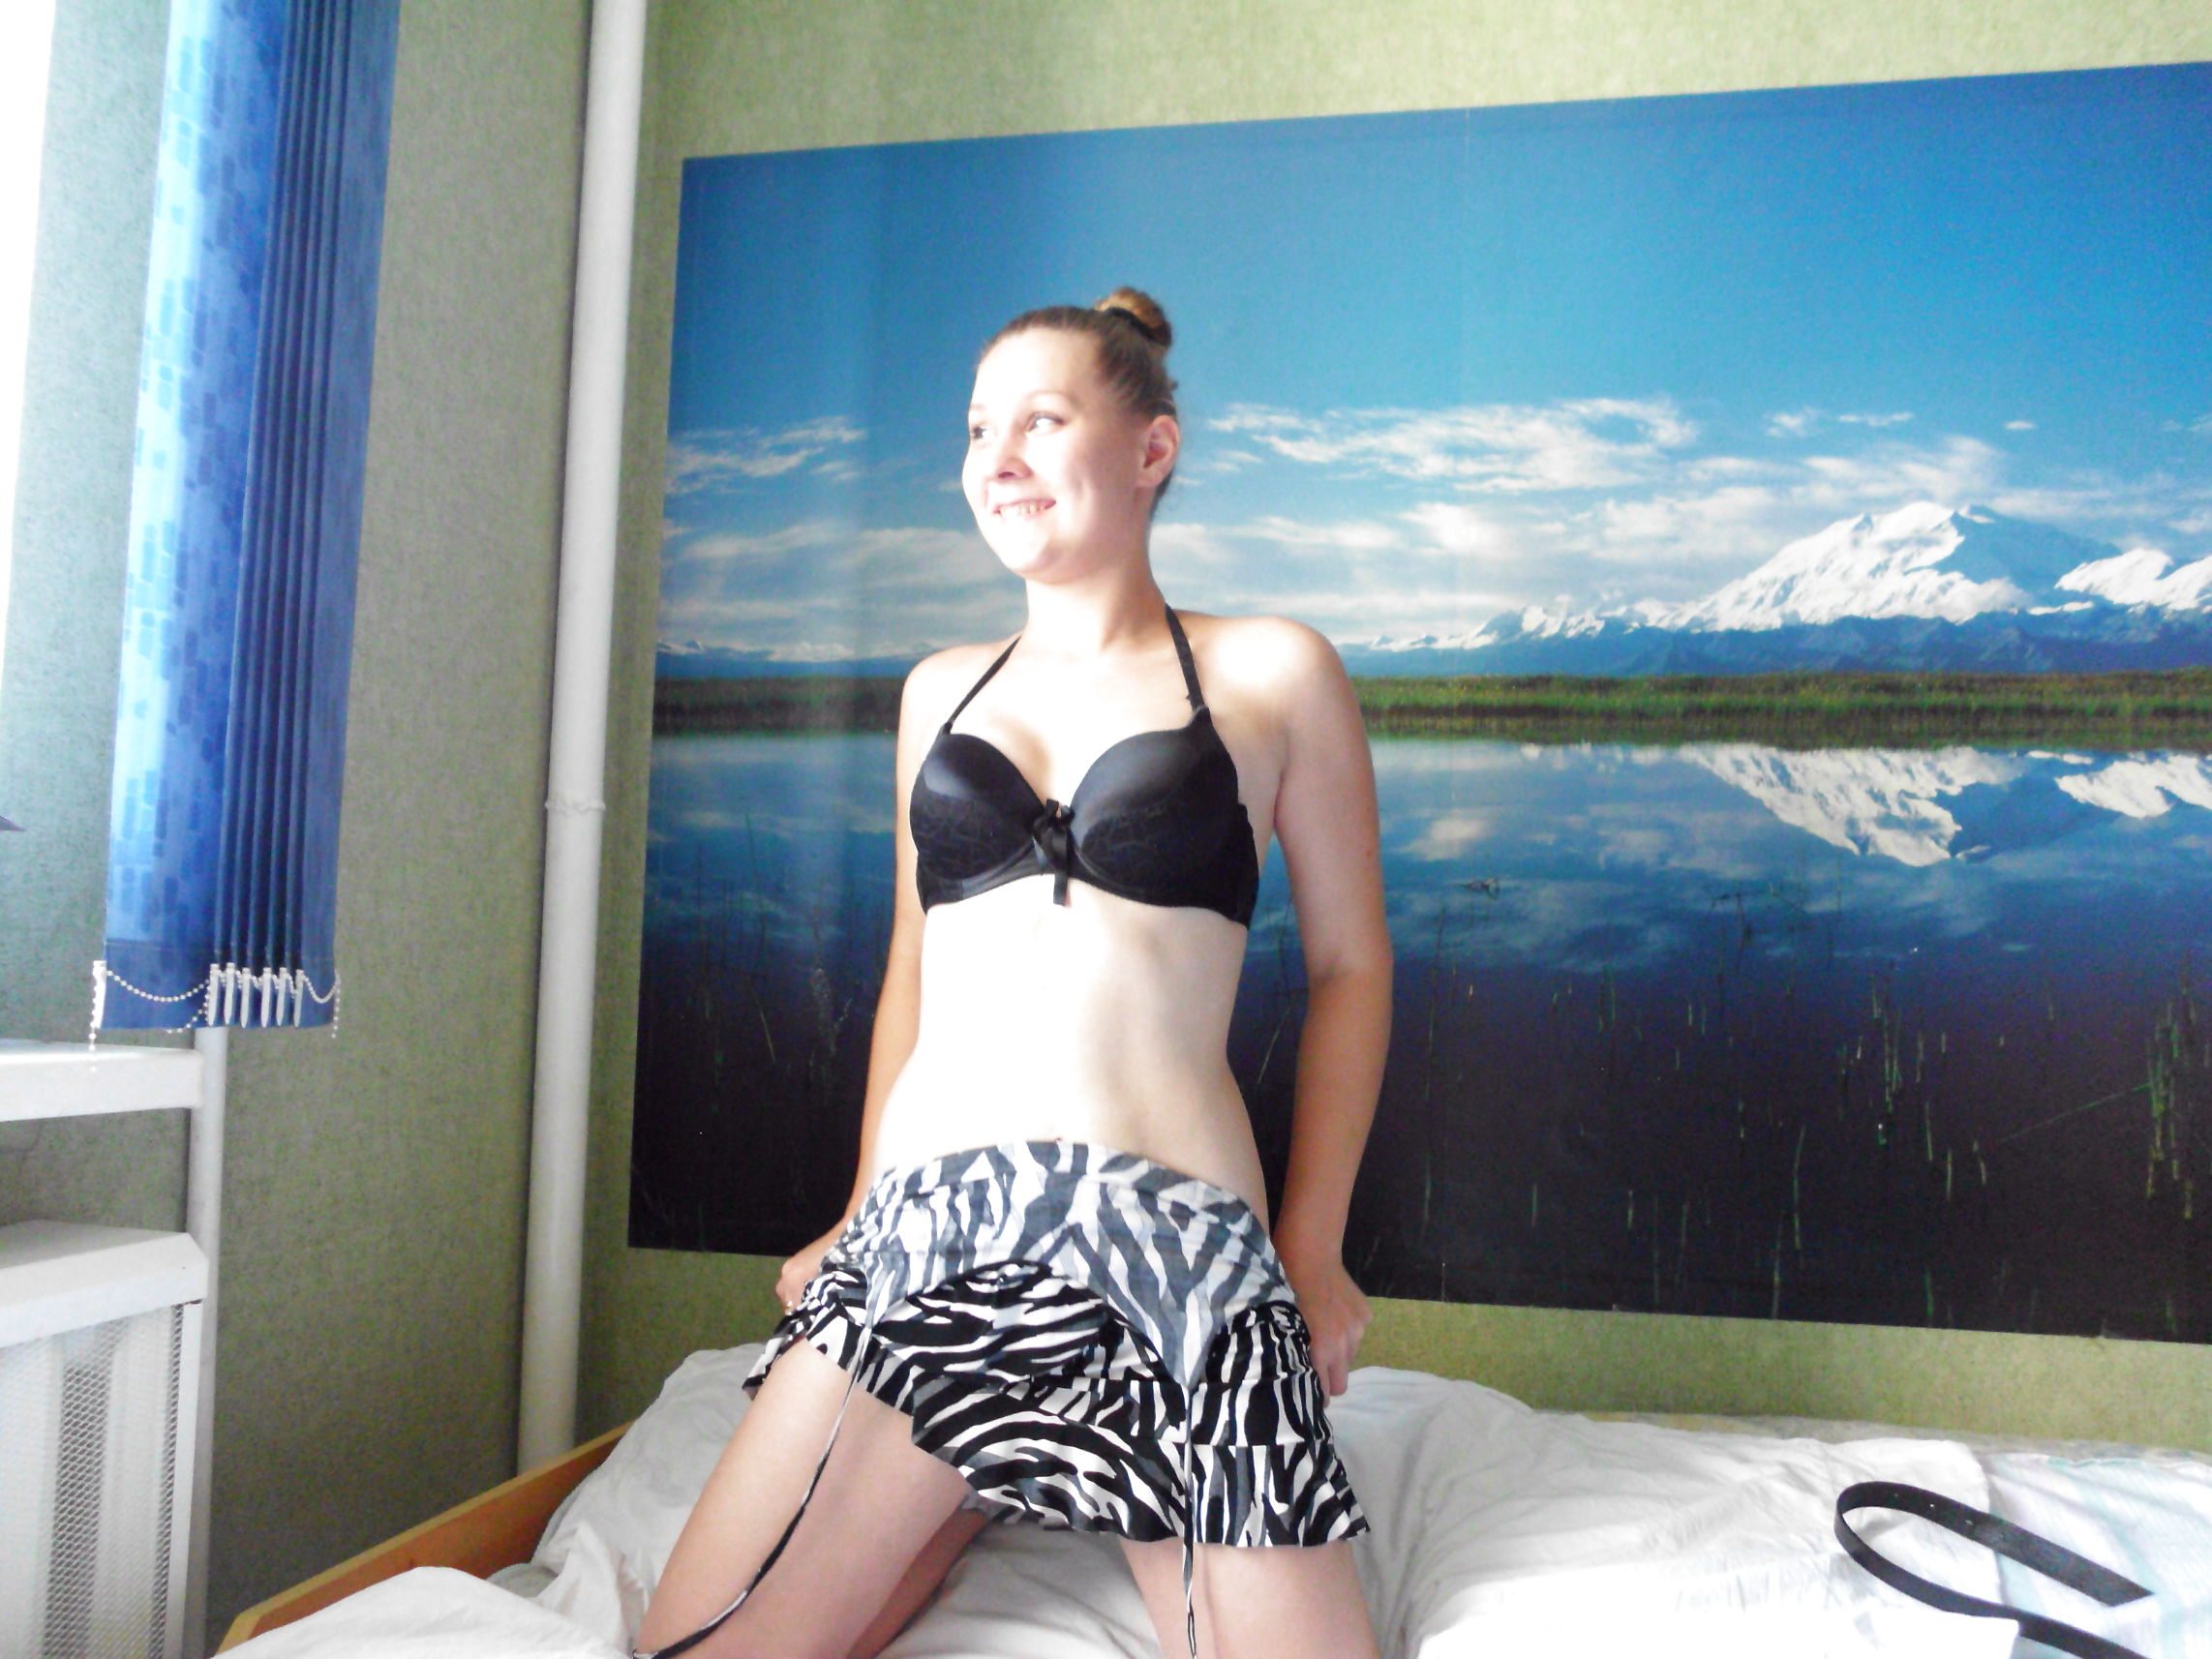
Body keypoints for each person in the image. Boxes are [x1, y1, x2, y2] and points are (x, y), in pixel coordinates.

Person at [633, 288, 1392, 1659]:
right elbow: (912, 967)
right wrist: (854, 1213)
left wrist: (1314, 1250)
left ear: (1151, 449)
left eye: (1042, 421)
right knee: (689, 1649)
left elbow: (1349, 965)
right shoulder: (941, 690)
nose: (998, 457)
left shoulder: (1274, 669)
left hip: (1167, 1237)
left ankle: (1008, 1461)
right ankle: (973, 1475)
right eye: (980, 429)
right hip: (928, 1233)